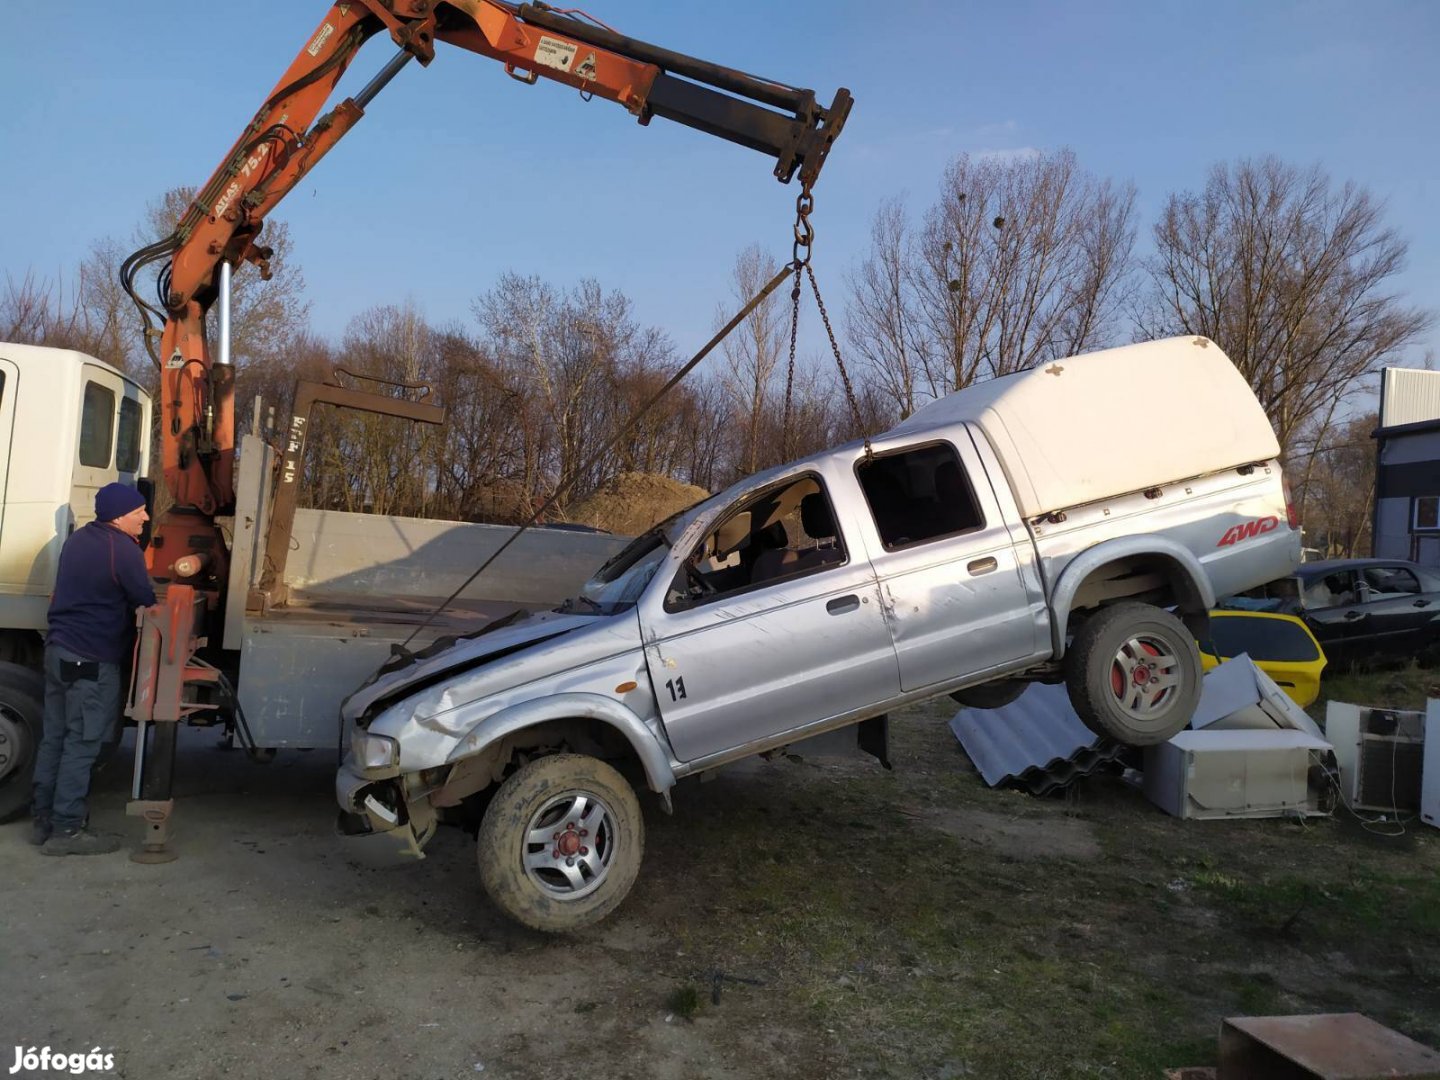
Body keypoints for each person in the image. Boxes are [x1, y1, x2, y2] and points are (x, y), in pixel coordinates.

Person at [31, 483, 155, 855]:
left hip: (58, 651)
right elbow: (145, 598)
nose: (146, 518)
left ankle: (43, 821)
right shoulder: (122, 550)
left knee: (54, 738)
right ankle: (67, 831)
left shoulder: (80, 539)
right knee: (83, 744)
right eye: (140, 512)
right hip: (91, 660)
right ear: (120, 516)